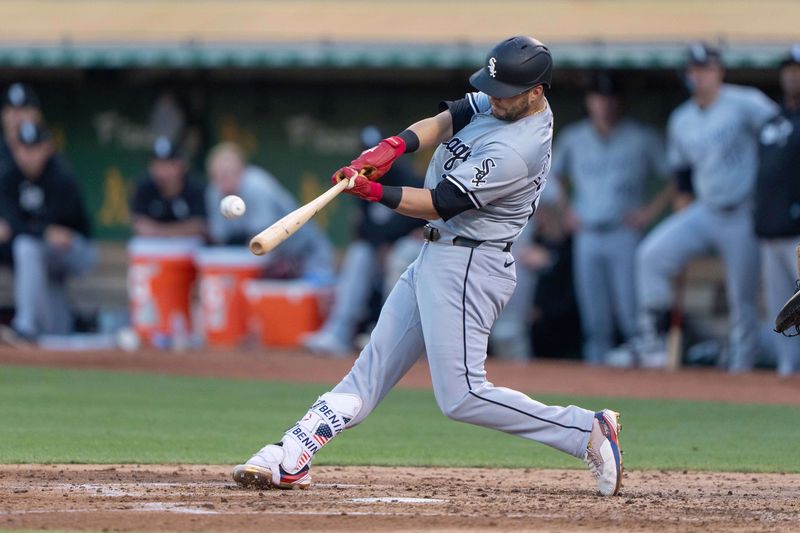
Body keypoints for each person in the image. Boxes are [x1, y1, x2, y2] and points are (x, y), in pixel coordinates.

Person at [232, 36, 623, 497]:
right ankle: (292, 453)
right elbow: (451, 115)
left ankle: (586, 431)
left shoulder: (520, 147)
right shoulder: (507, 102)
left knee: (462, 396)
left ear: (537, 92)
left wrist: (374, 192)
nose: (494, 98)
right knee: (370, 369)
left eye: (506, 91)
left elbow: (441, 204)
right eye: (492, 87)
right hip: (438, 255)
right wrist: (395, 146)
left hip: (469, 265)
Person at [628, 43, 779, 371]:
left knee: (743, 300)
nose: (700, 76)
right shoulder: (681, 118)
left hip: (743, 213)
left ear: (719, 71)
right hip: (705, 210)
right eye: (694, 70)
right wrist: (683, 199)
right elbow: (681, 170)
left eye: (706, 68)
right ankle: (653, 342)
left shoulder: (746, 101)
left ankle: (741, 369)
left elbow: (780, 134)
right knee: (651, 256)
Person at [551, 71, 671, 365]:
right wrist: (566, 210)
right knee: (594, 316)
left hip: (624, 232)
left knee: (632, 312)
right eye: (598, 98)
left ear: (619, 101)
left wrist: (649, 212)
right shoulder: (574, 137)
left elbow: (674, 177)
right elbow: (549, 176)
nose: (604, 104)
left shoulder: (641, 136)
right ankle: (596, 380)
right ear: (589, 101)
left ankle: (637, 379)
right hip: (587, 233)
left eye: (610, 98)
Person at [301, 126, 424, 356]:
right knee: (359, 254)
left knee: (401, 253)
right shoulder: (359, 179)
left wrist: (387, 244)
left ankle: (390, 337)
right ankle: (338, 333)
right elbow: (363, 227)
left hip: (409, 251)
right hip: (378, 251)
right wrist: (379, 246)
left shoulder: (408, 178)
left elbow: (418, 220)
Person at [0, 121, 96, 342]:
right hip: (41, 252)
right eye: (23, 148)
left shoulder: (61, 175)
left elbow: (62, 231)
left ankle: (24, 327)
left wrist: (33, 230)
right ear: (15, 149)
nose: (28, 155)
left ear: (47, 148)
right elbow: (11, 223)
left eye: (34, 148)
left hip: (76, 250)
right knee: (56, 331)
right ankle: (49, 334)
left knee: (26, 247)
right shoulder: (8, 176)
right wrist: (41, 232)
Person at [204, 142, 334, 282]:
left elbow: (264, 241)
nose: (223, 180)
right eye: (219, 176)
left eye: (229, 173)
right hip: (275, 261)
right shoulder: (214, 192)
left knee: (301, 301)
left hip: (307, 254)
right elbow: (220, 238)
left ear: (242, 170)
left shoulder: (256, 186)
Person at [755, 44, 800, 376]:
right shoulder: (773, 119)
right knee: (783, 315)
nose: (791, 75)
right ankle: (785, 380)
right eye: (787, 68)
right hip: (771, 229)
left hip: (797, 232)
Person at [0, 83, 43, 266]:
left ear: (36, 114)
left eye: (23, 109)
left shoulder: (46, 155)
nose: (17, 116)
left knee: (27, 248)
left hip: (33, 238)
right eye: (11, 110)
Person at [131, 136, 206, 238]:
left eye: (169, 165)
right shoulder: (143, 187)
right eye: (158, 164)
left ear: (182, 166)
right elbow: (139, 224)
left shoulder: (196, 187)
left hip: (189, 249)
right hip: (152, 248)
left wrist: (158, 231)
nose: (162, 172)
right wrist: (179, 230)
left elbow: (198, 226)